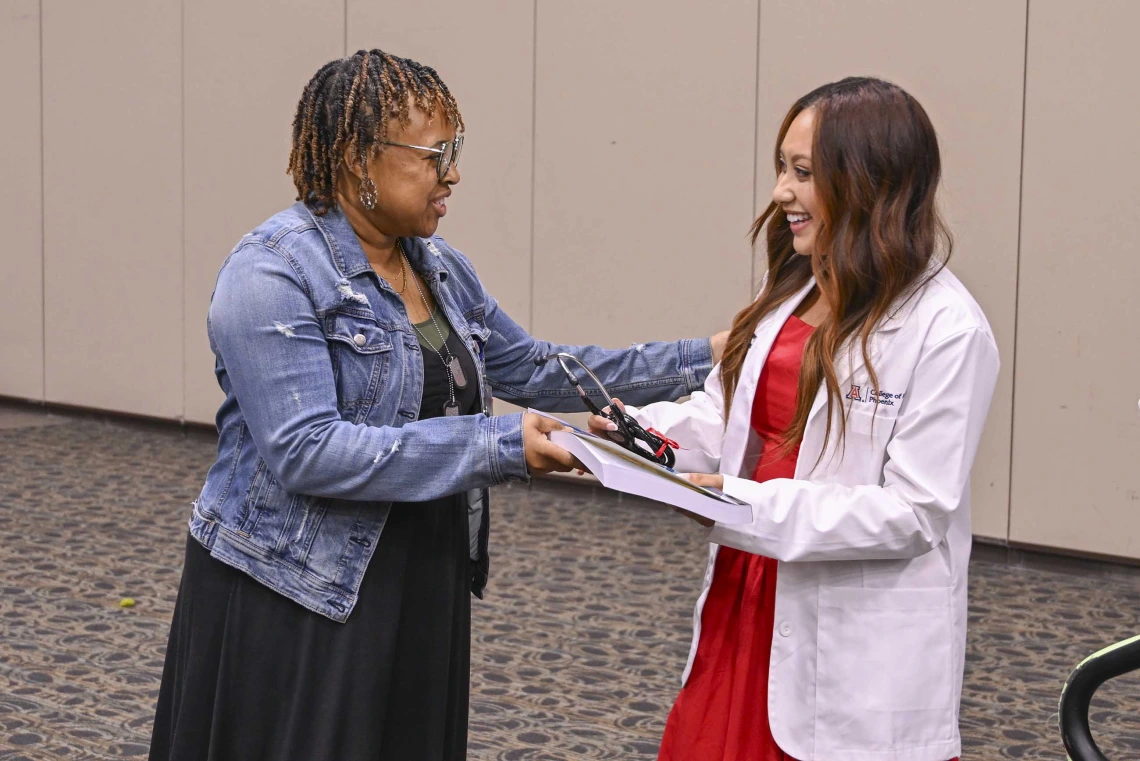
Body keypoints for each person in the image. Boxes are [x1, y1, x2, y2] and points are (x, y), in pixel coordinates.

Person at [147, 49, 726, 761]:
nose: (452, 174)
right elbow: (307, 450)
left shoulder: (440, 266)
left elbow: (541, 368)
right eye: (435, 155)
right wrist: (499, 445)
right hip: (301, 589)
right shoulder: (270, 270)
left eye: (456, 151)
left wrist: (710, 355)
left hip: (422, 572)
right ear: (361, 158)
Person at [591, 77, 999, 761]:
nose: (781, 191)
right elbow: (732, 416)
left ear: (869, 182)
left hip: (845, 615)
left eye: (803, 173)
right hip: (748, 591)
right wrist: (643, 436)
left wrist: (745, 503)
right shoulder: (796, 284)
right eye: (782, 167)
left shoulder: (949, 330)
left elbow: (914, 511)